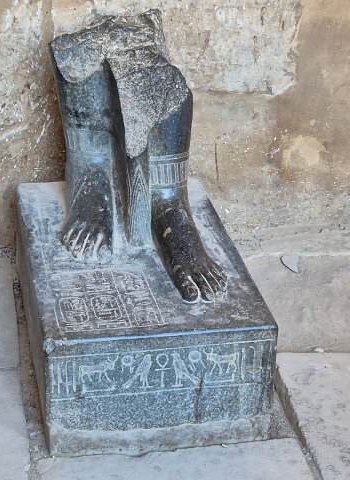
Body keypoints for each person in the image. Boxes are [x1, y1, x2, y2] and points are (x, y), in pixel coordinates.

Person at [50, 10, 226, 303]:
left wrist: (169, 200)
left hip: (157, 75)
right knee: (77, 58)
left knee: (165, 85)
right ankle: (92, 177)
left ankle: (169, 208)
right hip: (84, 35)